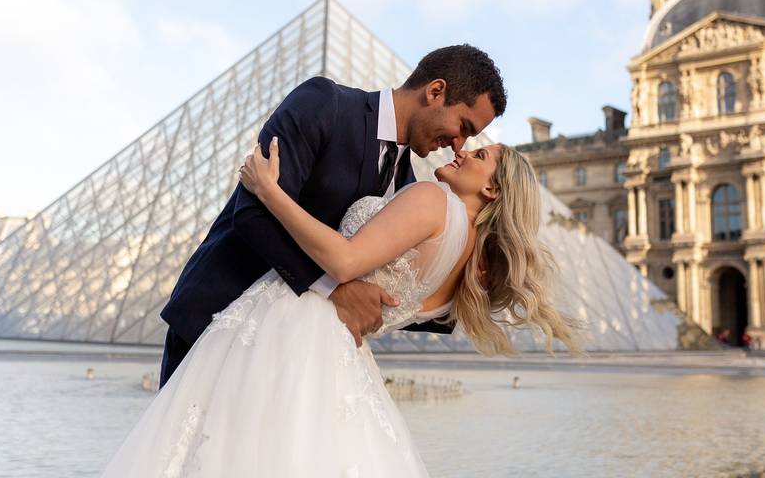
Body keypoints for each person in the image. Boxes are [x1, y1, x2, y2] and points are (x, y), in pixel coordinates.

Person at [101, 137, 582, 477]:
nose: (461, 149)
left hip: (290, 326)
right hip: (344, 360)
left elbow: (344, 259)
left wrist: (268, 191)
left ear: (492, 190)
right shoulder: (469, 265)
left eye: (478, 155)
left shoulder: (435, 200)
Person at [157, 44, 506, 388]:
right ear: (435, 91)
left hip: (292, 354)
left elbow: (400, 293)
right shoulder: (325, 104)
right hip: (219, 317)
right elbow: (251, 213)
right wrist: (334, 288)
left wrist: (483, 270)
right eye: (464, 126)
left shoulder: (409, 184)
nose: (459, 144)